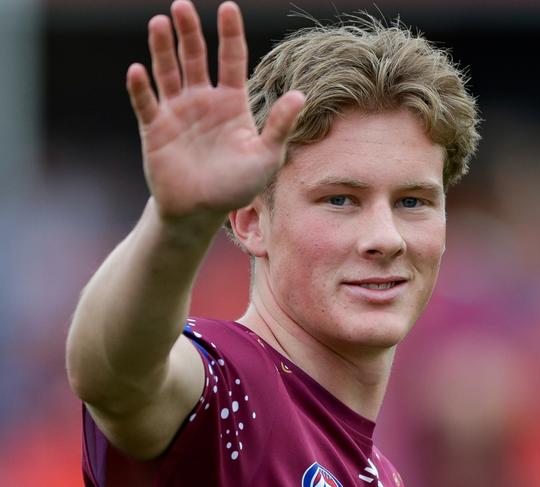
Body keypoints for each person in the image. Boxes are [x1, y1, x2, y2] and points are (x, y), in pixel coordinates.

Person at [65, 0, 480, 485]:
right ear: (250, 222)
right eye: (340, 200)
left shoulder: (380, 474)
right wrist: (177, 224)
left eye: (412, 202)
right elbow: (115, 377)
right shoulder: (227, 390)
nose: (385, 238)